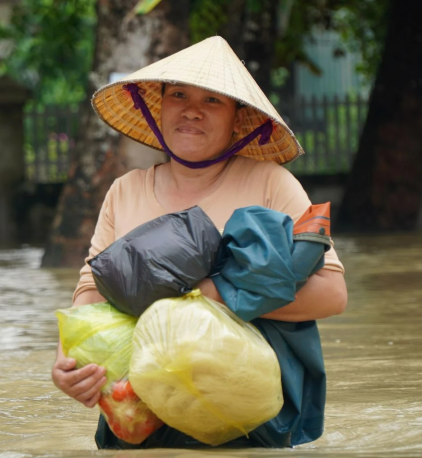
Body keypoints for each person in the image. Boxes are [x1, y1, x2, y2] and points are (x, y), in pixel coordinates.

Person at [51, 36, 348, 448]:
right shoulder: (125, 191)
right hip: (145, 411)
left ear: (236, 118)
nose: (192, 109)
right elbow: (90, 295)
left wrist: (209, 295)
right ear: (158, 106)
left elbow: (332, 294)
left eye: (213, 100)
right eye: (178, 95)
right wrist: (68, 363)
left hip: (247, 416)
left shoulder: (270, 184)